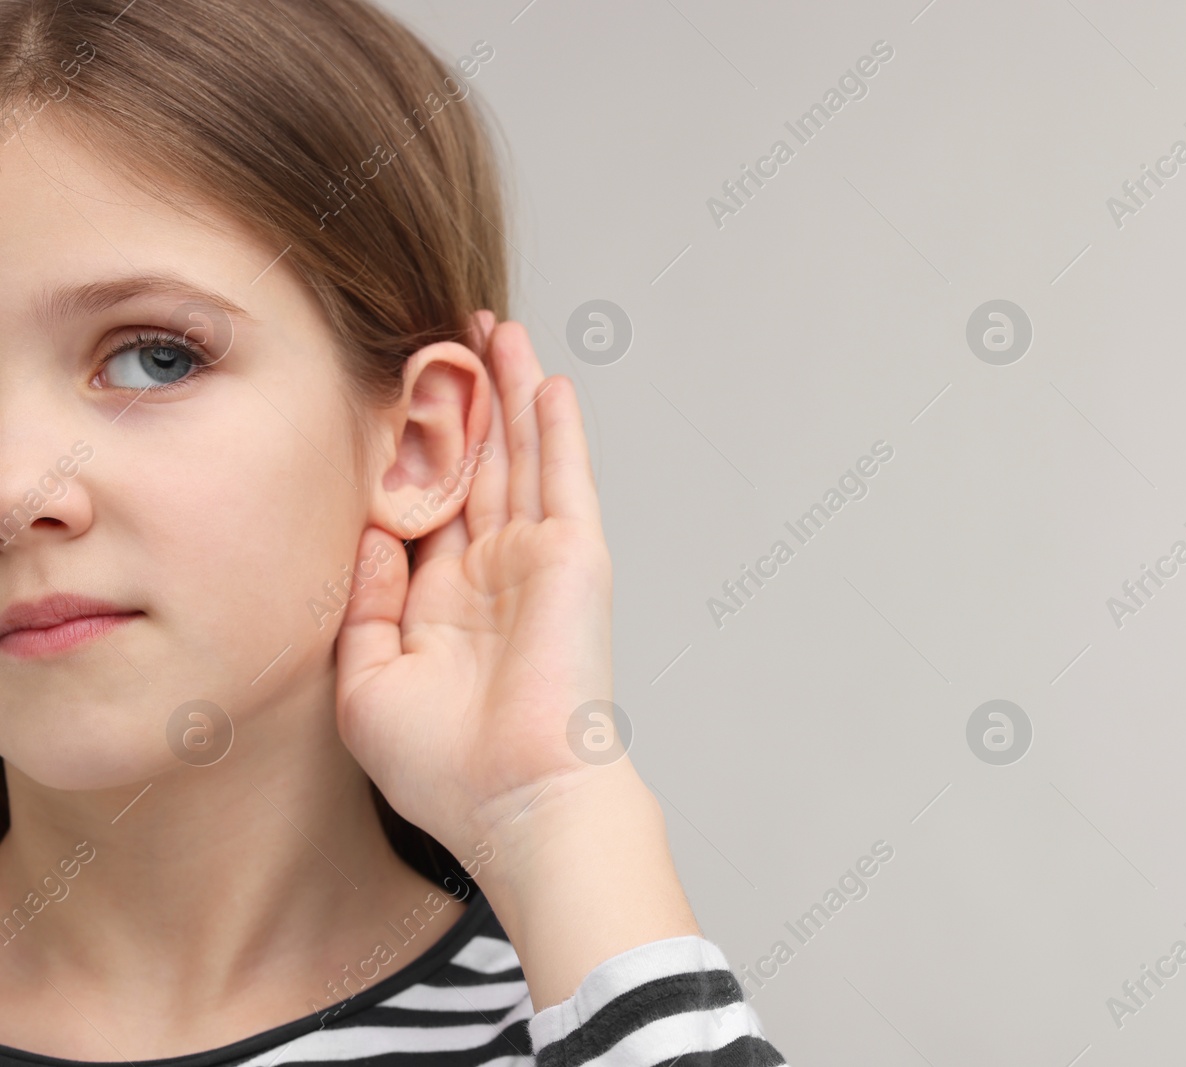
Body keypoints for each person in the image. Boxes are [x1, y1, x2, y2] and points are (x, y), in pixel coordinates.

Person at [0, 0, 785, 1063]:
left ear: (416, 443)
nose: (16, 489)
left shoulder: (570, 1027)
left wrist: (551, 808)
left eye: (154, 357)